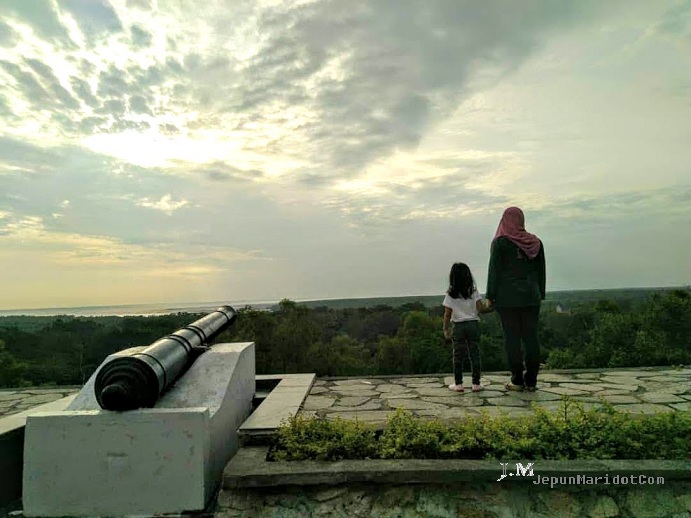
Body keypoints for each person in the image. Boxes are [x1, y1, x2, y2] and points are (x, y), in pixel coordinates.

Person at [486, 207, 546, 392]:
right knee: (531, 337)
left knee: (512, 338)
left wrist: (490, 296)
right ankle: (532, 380)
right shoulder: (535, 243)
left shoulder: (501, 243)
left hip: (507, 298)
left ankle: (517, 379)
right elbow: (541, 272)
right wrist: (540, 293)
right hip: (531, 297)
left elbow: (494, 271)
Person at [442, 262, 493, 393]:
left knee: (458, 355)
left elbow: (447, 314)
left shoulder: (450, 294)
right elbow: (480, 309)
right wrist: (493, 307)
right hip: (473, 324)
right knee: (474, 354)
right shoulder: (473, 291)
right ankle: (476, 383)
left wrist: (446, 329)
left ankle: (458, 384)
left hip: (458, 326)